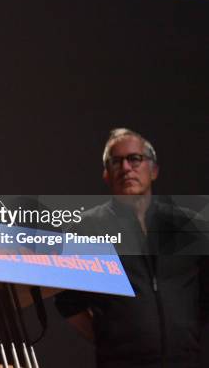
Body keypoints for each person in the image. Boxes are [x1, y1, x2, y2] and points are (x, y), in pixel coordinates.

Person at [55, 128, 209, 368]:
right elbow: (68, 302)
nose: (126, 167)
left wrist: (184, 336)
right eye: (116, 161)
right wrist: (111, 343)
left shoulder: (188, 225)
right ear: (106, 174)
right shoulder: (85, 229)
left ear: (154, 170)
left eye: (135, 158)